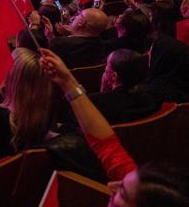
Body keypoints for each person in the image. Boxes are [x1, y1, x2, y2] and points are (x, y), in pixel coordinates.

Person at [40, 48, 189, 207]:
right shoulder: (140, 184)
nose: (111, 186)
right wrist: (67, 82)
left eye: (123, 195)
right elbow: (106, 144)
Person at [90, 49, 160, 124]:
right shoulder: (155, 99)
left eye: (107, 65)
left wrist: (103, 90)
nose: (105, 68)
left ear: (114, 76)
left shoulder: (94, 102)